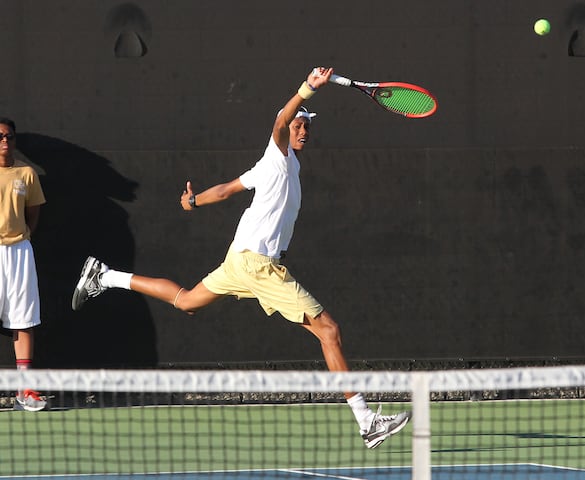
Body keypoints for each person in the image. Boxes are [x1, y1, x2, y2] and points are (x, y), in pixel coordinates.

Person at [71, 67, 410, 448]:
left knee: (187, 302)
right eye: (300, 125)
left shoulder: (275, 167)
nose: (302, 130)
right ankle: (366, 421)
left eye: (307, 127)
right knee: (329, 331)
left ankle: (105, 276)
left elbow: (228, 189)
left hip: (240, 261)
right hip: (257, 266)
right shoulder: (278, 155)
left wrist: (194, 200)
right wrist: (306, 90)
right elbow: (280, 119)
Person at [0, 117, 47, 411]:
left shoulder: (26, 173)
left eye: (10, 137)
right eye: (0, 136)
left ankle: (25, 389)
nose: (5, 141)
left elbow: (33, 215)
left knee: (24, 319)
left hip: (19, 252)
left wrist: (21, 236)